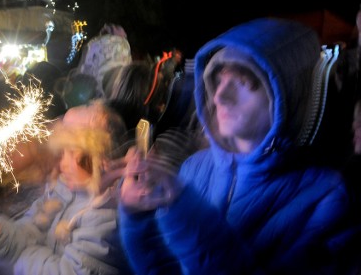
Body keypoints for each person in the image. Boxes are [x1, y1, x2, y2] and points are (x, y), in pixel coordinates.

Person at [118, 17, 361, 274]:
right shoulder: (194, 168)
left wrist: (185, 215)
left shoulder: (325, 199)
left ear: (289, 99)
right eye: (219, 80)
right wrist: (136, 217)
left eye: (245, 83)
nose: (220, 96)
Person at [0, 99, 131, 275]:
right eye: (62, 152)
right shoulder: (63, 190)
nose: (62, 165)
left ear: (101, 161)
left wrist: (20, 257)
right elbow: (29, 231)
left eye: (72, 153)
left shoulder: (105, 215)